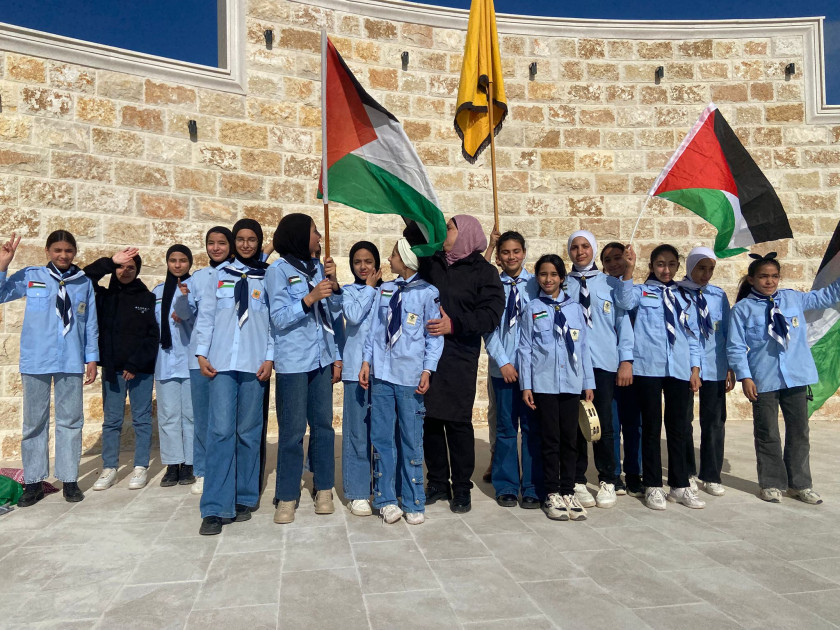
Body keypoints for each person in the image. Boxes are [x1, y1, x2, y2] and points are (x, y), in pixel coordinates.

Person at [409, 215, 505, 514]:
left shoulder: (484, 272)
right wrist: (413, 210)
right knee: (430, 419)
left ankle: (462, 486)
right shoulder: (432, 263)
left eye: (450, 228)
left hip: (459, 355)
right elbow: (414, 235)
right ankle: (437, 481)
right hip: (426, 356)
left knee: (457, 422)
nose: (445, 232)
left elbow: (491, 314)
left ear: (466, 234)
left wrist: (455, 325)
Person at [728, 252, 840, 505]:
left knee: (799, 431)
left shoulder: (792, 298)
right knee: (767, 432)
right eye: (763, 277)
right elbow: (735, 347)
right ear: (751, 279)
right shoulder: (742, 309)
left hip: (797, 377)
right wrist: (745, 377)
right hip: (764, 379)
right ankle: (771, 483)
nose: (770, 281)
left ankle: (800, 484)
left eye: (774, 276)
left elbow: (828, 295)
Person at [0, 231, 99, 506]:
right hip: (36, 359)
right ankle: (33, 482)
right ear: (47, 251)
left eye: (68, 250)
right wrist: (3, 265)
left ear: (74, 252)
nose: (63, 255)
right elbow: (1, 294)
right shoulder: (32, 276)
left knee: (71, 421)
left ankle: (69, 480)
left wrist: (91, 358)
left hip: (71, 359)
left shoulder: (83, 282)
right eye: (57, 250)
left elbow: (90, 322)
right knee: (34, 422)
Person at [195, 219, 273, 535]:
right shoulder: (218, 276)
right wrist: (201, 353)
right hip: (222, 363)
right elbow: (206, 318)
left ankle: (244, 496)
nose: (245, 244)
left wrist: (270, 357)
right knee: (220, 431)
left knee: (248, 432)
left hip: (254, 363)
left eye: (251, 239)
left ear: (259, 242)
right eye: (240, 239)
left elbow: (272, 323)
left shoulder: (267, 278)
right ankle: (215, 506)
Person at [360, 238, 444, 524]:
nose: (389, 258)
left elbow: (434, 337)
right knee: (382, 438)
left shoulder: (428, 293)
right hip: (382, 375)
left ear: (407, 259)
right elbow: (374, 330)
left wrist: (428, 370)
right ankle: (385, 499)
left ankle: (413, 500)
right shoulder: (385, 289)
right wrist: (366, 362)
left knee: (411, 438)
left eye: (394, 254)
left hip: (410, 376)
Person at [267, 213, 343, 525]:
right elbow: (278, 318)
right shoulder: (278, 271)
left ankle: (323, 488)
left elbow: (334, 313)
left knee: (323, 426)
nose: (319, 237)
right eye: (314, 232)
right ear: (298, 235)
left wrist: (334, 285)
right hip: (294, 362)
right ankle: (287, 494)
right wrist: (309, 298)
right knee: (293, 430)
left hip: (321, 359)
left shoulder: (318, 268)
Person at [619, 244, 704, 510]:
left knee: (679, 427)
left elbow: (692, 334)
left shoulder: (684, 295)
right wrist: (628, 269)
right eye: (660, 264)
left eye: (671, 264)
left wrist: (695, 368)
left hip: (678, 368)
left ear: (678, 266)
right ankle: (653, 484)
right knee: (651, 426)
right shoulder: (641, 291)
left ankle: (680, 484)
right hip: (648, 367)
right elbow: (624, 301)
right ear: (651, 266)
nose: (666, 270)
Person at [519, 254, 594, 521]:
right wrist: (526, 385)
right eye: (543, 274)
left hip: (572, 383)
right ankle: (552, 492)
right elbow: (525, 348)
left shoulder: (575, 309)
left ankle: (568, 490)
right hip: (545, 384)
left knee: (570, 440)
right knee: (550, 439)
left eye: (553, 274)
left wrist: (588, 383)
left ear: (562, 277)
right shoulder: (532, 308)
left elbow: (583, 347)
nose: (548, 279)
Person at [565, 231, 633, 510]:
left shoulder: (610, 283)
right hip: (572, 364)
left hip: (603, 362)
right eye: (574, 247)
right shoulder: (562, 284)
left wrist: (626, 360)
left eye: (585, 246)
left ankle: (608, 478)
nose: (580, 252)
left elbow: (623, 321)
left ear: (593, 249)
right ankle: (577, 479)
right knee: (575, 423)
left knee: (603, 422)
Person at [85, 249, 159, 493]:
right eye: (120, 267)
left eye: (131, 267)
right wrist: (109, 262)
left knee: (141, 420)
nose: (125, 271)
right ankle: (109, 468)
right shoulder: (104, 296)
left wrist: (134, 364)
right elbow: (85, 277)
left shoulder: (147, 298)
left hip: (140, 371)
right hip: (113, 370)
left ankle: (140, 466)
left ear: (137, 271)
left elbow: (152, 336)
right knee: (112, 421)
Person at [483, 231, 541, 509]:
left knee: (531, 428)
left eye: (516, 251)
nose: (511, 257)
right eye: (505, 252)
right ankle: (506, 485)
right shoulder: (492, 285)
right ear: (499, 256)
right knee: (506, 428)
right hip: (503, 370)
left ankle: (532, 485)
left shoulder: (536, 285)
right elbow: (488, 327)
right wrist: (503, 361)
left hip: (532, 371)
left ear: (524, 252)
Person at [678, 247, 735, 497]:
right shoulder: (678, 293)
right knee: (683, 420)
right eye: (701, 268)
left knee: (714, 422)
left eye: (711, 269)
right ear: (690, 267)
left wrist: (730, 366)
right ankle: (687, 471)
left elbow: (728, 332)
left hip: (715, 365)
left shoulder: (718, 295)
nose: (706, 274)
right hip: (685, 366)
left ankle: (711, 474)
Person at [188, 227, 234, 496]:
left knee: (226, 420)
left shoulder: (240, 273)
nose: (216, 248)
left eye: (221, 243)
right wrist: (182, 300)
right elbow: (189, 314)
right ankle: (203, 470)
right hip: (200, 357)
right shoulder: (197, 277)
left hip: (227, 356)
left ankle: (226, 468)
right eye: (211, 243)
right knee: (203, 417)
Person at [339, 241, 382, 517]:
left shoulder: (388, 291)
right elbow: (353, 317)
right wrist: (368, 288)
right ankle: (357, 492)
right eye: (357, 262)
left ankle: (384, 487)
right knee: (357, 432)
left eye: (368, 261)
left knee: (383, 432)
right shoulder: (349, 291)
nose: (363, 266)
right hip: (356, 370)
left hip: (385, 371)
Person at [152, 245, 197, 490]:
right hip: (165, 361)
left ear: (190, 262)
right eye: (173, 260)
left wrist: (185, 307)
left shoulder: (195, 289)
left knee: (191, 415)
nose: (178, 265)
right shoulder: (158, 292)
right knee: (168, 416)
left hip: (189, 360)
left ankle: (189, 462)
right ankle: (172, 464)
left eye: (182, 260)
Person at [600, 242, 643, 498]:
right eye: (608, 260)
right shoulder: (600, 289)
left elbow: (628, 307)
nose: (614, 263)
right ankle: (614, 473)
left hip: (636, 365)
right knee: (612, 422)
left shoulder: (636, 290)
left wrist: (629, 272)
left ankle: (635, 472)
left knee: (634, 423)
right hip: (610, 365)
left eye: (618, 258)